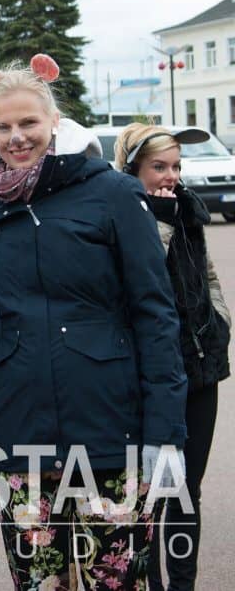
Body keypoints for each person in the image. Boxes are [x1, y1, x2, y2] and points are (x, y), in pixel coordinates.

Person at [0, 54, 188, 590]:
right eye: (3, 126)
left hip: (109, 430)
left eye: (28, 123)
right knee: (39, 583)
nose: (17, 137)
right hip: (20, 435)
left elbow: (155, 313)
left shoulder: (112, 194)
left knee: (112, 581)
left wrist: (165, 433)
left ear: (53, 122)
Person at [114, 123, 231, 591]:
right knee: (149, 495)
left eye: (177, 166)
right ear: (132, 171)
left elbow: (209, 277)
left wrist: (218, 320)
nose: (171, 177)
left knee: (188, 491)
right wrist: (158, 219)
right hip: (148, 379)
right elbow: (133, 287)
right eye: (158, 167)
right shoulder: (123, 217)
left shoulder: (188, 211)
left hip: (199, 370)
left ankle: (183, 585)